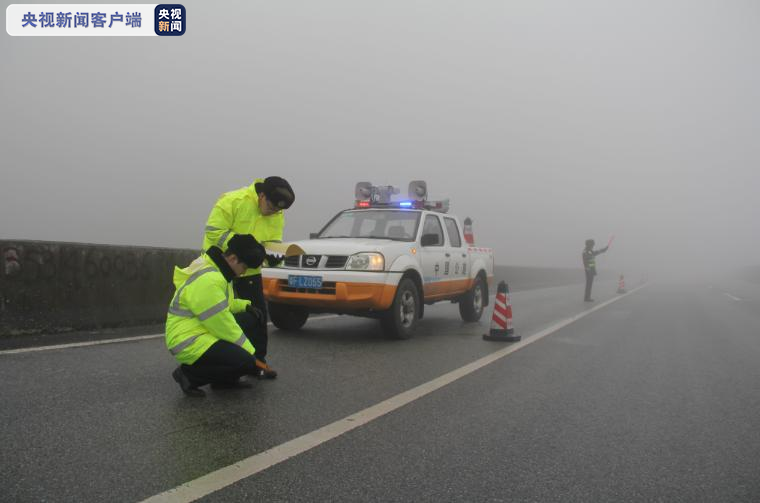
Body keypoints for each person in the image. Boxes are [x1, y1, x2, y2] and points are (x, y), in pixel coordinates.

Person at [202, 176, 295, 378]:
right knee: (220, 316)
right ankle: (217, 366)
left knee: (258, 315)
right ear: (261, 195)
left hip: (249, 271)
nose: (273, 212)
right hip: (220, 268)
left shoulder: (277, 214)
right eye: (271, 206)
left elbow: (272, 243)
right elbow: (213, 231)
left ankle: (257, 363)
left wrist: (273, 256)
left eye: (278, 210)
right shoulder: (233, 200)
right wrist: (241, 249)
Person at [166, 234, 271, 397]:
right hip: (189, 339)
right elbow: (222, 323)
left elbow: (224, 304)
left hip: (202, 329)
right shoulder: (210, 279)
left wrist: (246, 306)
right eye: (244, 267)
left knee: (250, 319)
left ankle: (224, 381)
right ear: (234, 259)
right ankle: (188, 375)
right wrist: (253, 358)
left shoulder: (220, 272)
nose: (243, 274)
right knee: (245, 361)